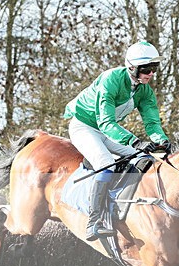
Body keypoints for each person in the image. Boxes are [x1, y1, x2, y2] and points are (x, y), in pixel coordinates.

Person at [63, 41, 171, 241]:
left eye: (154, 68)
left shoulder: (144, 91)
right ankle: (94, 222)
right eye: (146, 69)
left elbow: (152, 123)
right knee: (106, 163)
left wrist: (161, 140)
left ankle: (121, 204)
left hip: (107, 131)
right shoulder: (110, 79)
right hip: (84, 127)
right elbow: (105, 122)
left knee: (146, 157)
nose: (151, 74)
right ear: (132, 67)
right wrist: (135, 141)